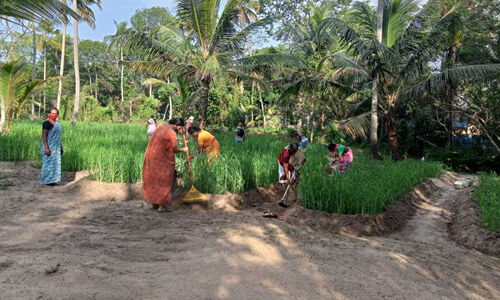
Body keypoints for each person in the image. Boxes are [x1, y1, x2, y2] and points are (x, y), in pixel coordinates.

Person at [143, 118, 188, 212]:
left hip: (151, 157)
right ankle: (162, 206)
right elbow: (174, 149)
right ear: (176, 125)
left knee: (155, 179)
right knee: (164, 180)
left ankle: (154, 204)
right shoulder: (171, 133)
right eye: (179, 128)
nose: (179, 130)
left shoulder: (161, 126)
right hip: (162, 159)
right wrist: (183, 149)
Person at [40, 107, 63, 186]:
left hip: (56, 148)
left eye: (56, 113)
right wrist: (46, 148)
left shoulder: (58, 123)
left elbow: (58, 137)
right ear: (49, 114)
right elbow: (44, 135)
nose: (54, 115)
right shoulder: (46, 124)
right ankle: (46, 181)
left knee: (55, 164)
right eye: (52, 113)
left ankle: (53, 181)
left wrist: (61, 147)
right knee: (47, 164)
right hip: (49, 147)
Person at [278, 142, 305, 206]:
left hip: (291, 164)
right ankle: (286, 199)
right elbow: (286, 169)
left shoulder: (297, 151)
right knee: (284, 180)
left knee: (296, 179)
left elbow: (302, 160)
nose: (294, 153)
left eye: (295, 151)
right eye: (292, 151)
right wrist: (288, 179)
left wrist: (297, 167)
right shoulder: (285, 155)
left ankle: (296, 196)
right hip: (283, 165)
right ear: (290, 148)